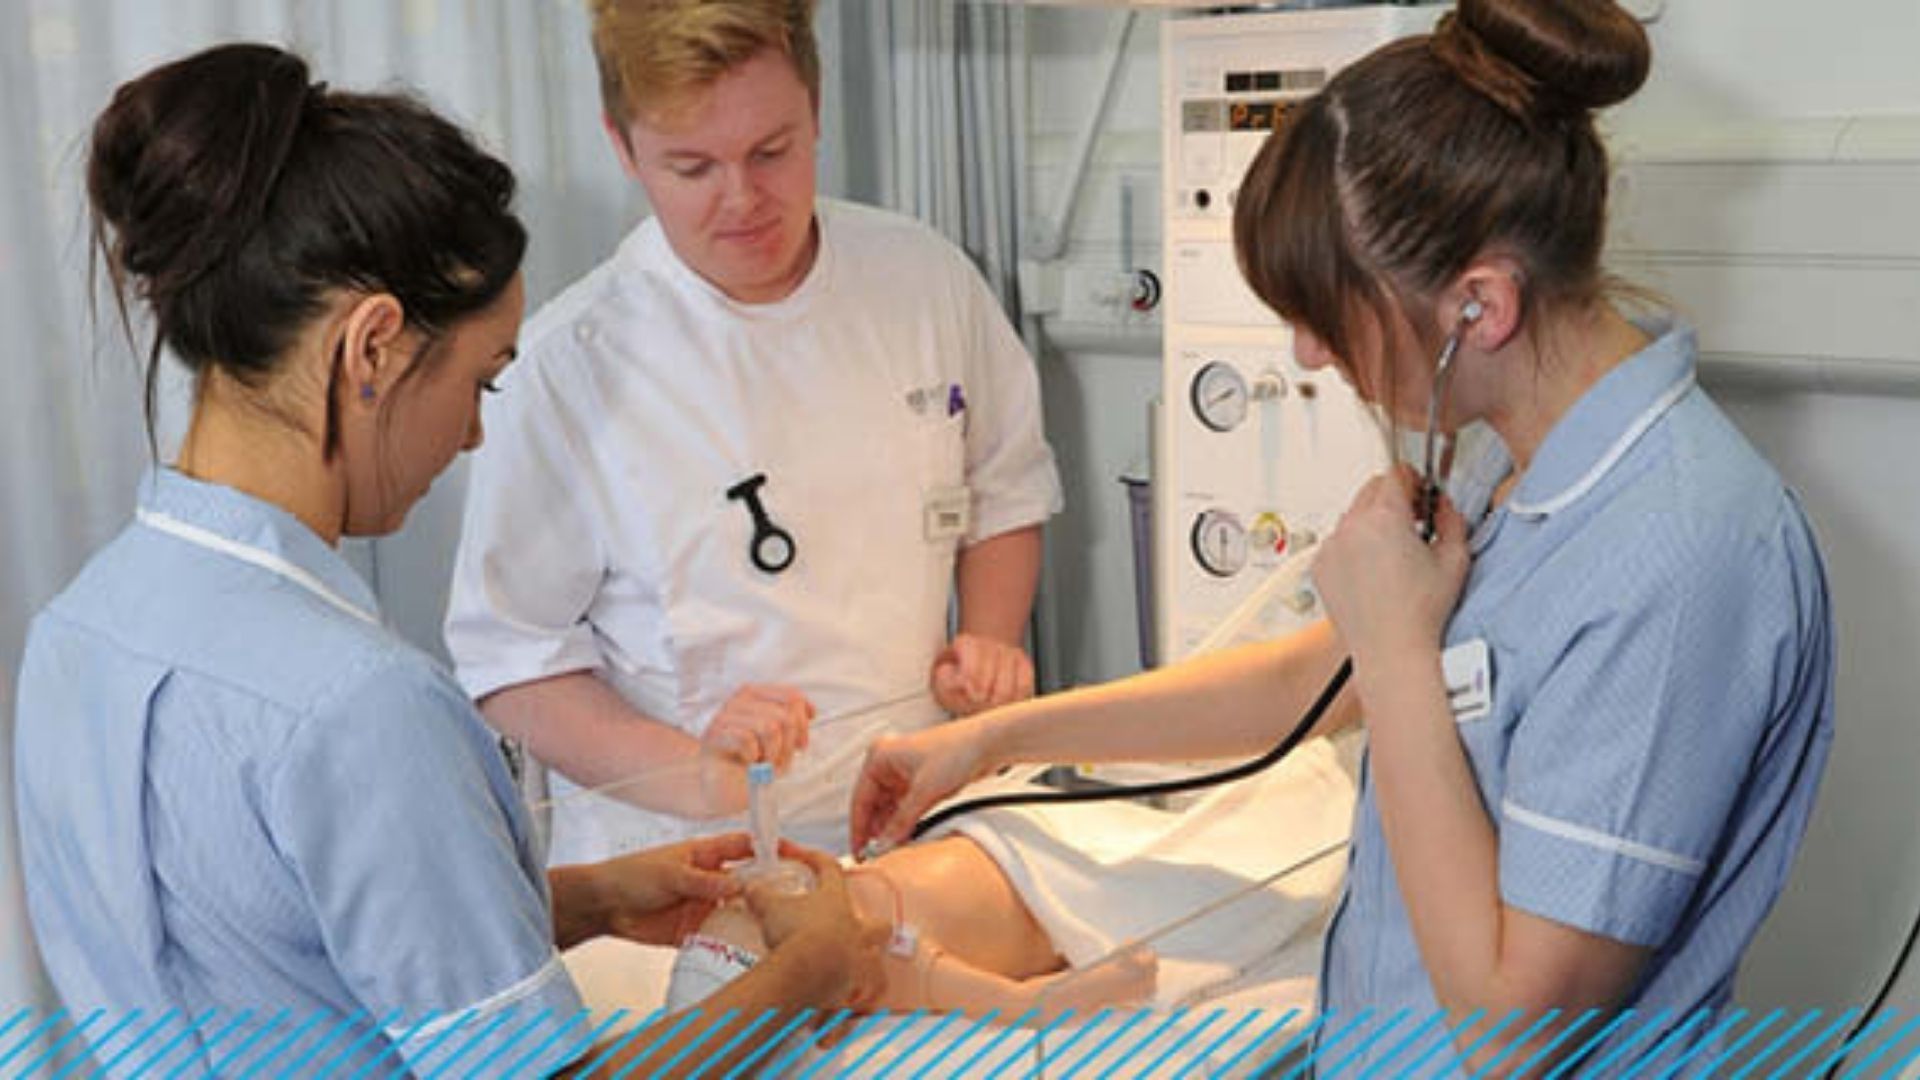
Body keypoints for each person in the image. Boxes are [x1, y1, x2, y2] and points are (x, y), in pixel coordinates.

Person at [851, 0, 1835, 1073]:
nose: (1307, 354)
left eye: (1326, 313)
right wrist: (996, 742)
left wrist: (1399, 643)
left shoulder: (1680, 558)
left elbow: (1515, 1037)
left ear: (1478, 308)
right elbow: (1321, 683)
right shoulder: (1520, 455)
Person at [14, 43, 884, 1080]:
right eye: (481, 380)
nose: (472, 437)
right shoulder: (361, 708)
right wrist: (808, 974)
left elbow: (264, 948)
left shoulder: (78, 630)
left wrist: (582, 897)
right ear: (372, 345)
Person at [443, 0, 1063, 865]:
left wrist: (990, 638)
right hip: (684, 854)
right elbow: (513, 662)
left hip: (919, 816)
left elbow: (1004, 487)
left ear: (815, 108)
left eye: (772, 151)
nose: (743, 200)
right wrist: (696, 771)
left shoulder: (921, 278)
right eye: (692, 167)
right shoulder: (567, 367)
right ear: (622, 147)